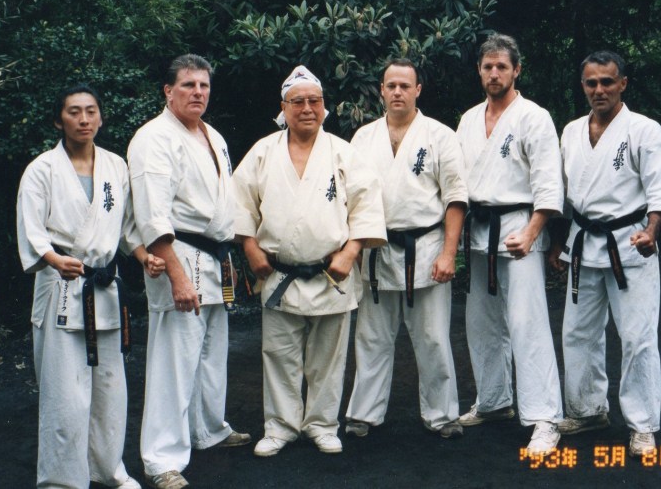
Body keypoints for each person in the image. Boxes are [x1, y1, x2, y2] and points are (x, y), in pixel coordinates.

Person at [232, 65, 387, 458]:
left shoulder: (342, 152)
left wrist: (351, 252)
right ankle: (280, 426)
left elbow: (367, 205)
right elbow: (239, 205)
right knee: (279, 355)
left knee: (328, 358)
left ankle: (322, 424)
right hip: (280, 274)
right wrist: (251, 250)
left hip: (330, 273)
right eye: (297, 101)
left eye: (314, 101)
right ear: (283, 108)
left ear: (324, 107)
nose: (306, 108)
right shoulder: (263, 152)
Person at [17, 84, 165, 489]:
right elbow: (31, 230)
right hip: (61, 284)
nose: (83, 119)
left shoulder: (115, 166)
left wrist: (143, 257)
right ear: (58, 120)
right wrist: (53, 259)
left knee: (110, 389)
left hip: (104, 286)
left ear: (101, 117)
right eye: (73, 112)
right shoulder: (42, 170)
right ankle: (62, 481)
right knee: (65, 395)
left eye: (90, 111)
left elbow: (129, 227)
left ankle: (107, 469)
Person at [127, 54, 250, 489]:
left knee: (212, 353)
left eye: (204, 85)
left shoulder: (212, 135)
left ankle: (208, 429)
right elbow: (152, 214)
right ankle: (161, 459)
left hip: (215, 256)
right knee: (174, 362)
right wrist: (177, 277)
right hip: (178, 253)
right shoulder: (153, 139)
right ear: (168, 91)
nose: (198, 92)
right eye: (188, 85)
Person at [549, 50, 661, 458]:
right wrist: (558, 242)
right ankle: (588, 410)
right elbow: (563, 195)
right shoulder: (571, 131)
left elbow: (659, 189)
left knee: (637, 336)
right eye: (591, 82)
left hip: (629, 242)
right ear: (583, 86)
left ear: (623, 83)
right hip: (583, 242)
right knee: (577, 333)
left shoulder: (644, 129)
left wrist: (652, 231)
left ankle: (642, 424)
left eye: (607, 81)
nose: (599, 89)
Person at [344, 58, 466, 439]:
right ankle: (363, 413)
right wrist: (352, 252)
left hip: (426, 249)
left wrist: (449, 253)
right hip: (376, 250)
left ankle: (442, 414)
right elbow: (350, 200)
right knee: (371, 338)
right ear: (381, 90)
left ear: (418, 90)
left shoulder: (440, 135)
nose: (397, 92)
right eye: (391, 85)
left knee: (433, 338)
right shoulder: (363, 138)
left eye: (405, 86)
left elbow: (456, 199)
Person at [455, 34, 564, 454]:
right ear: (479, 71)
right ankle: (494, 401)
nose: (494, 73)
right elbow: (457, 182)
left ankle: (544, 417)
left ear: (516, 70)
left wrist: (533, 232)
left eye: (502, 66)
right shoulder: (468, 119)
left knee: (527, 325)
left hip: (519, 227)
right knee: (481, 324)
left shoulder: (534, 117)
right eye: (488, 67)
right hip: (479, 232)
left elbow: (548, 184)